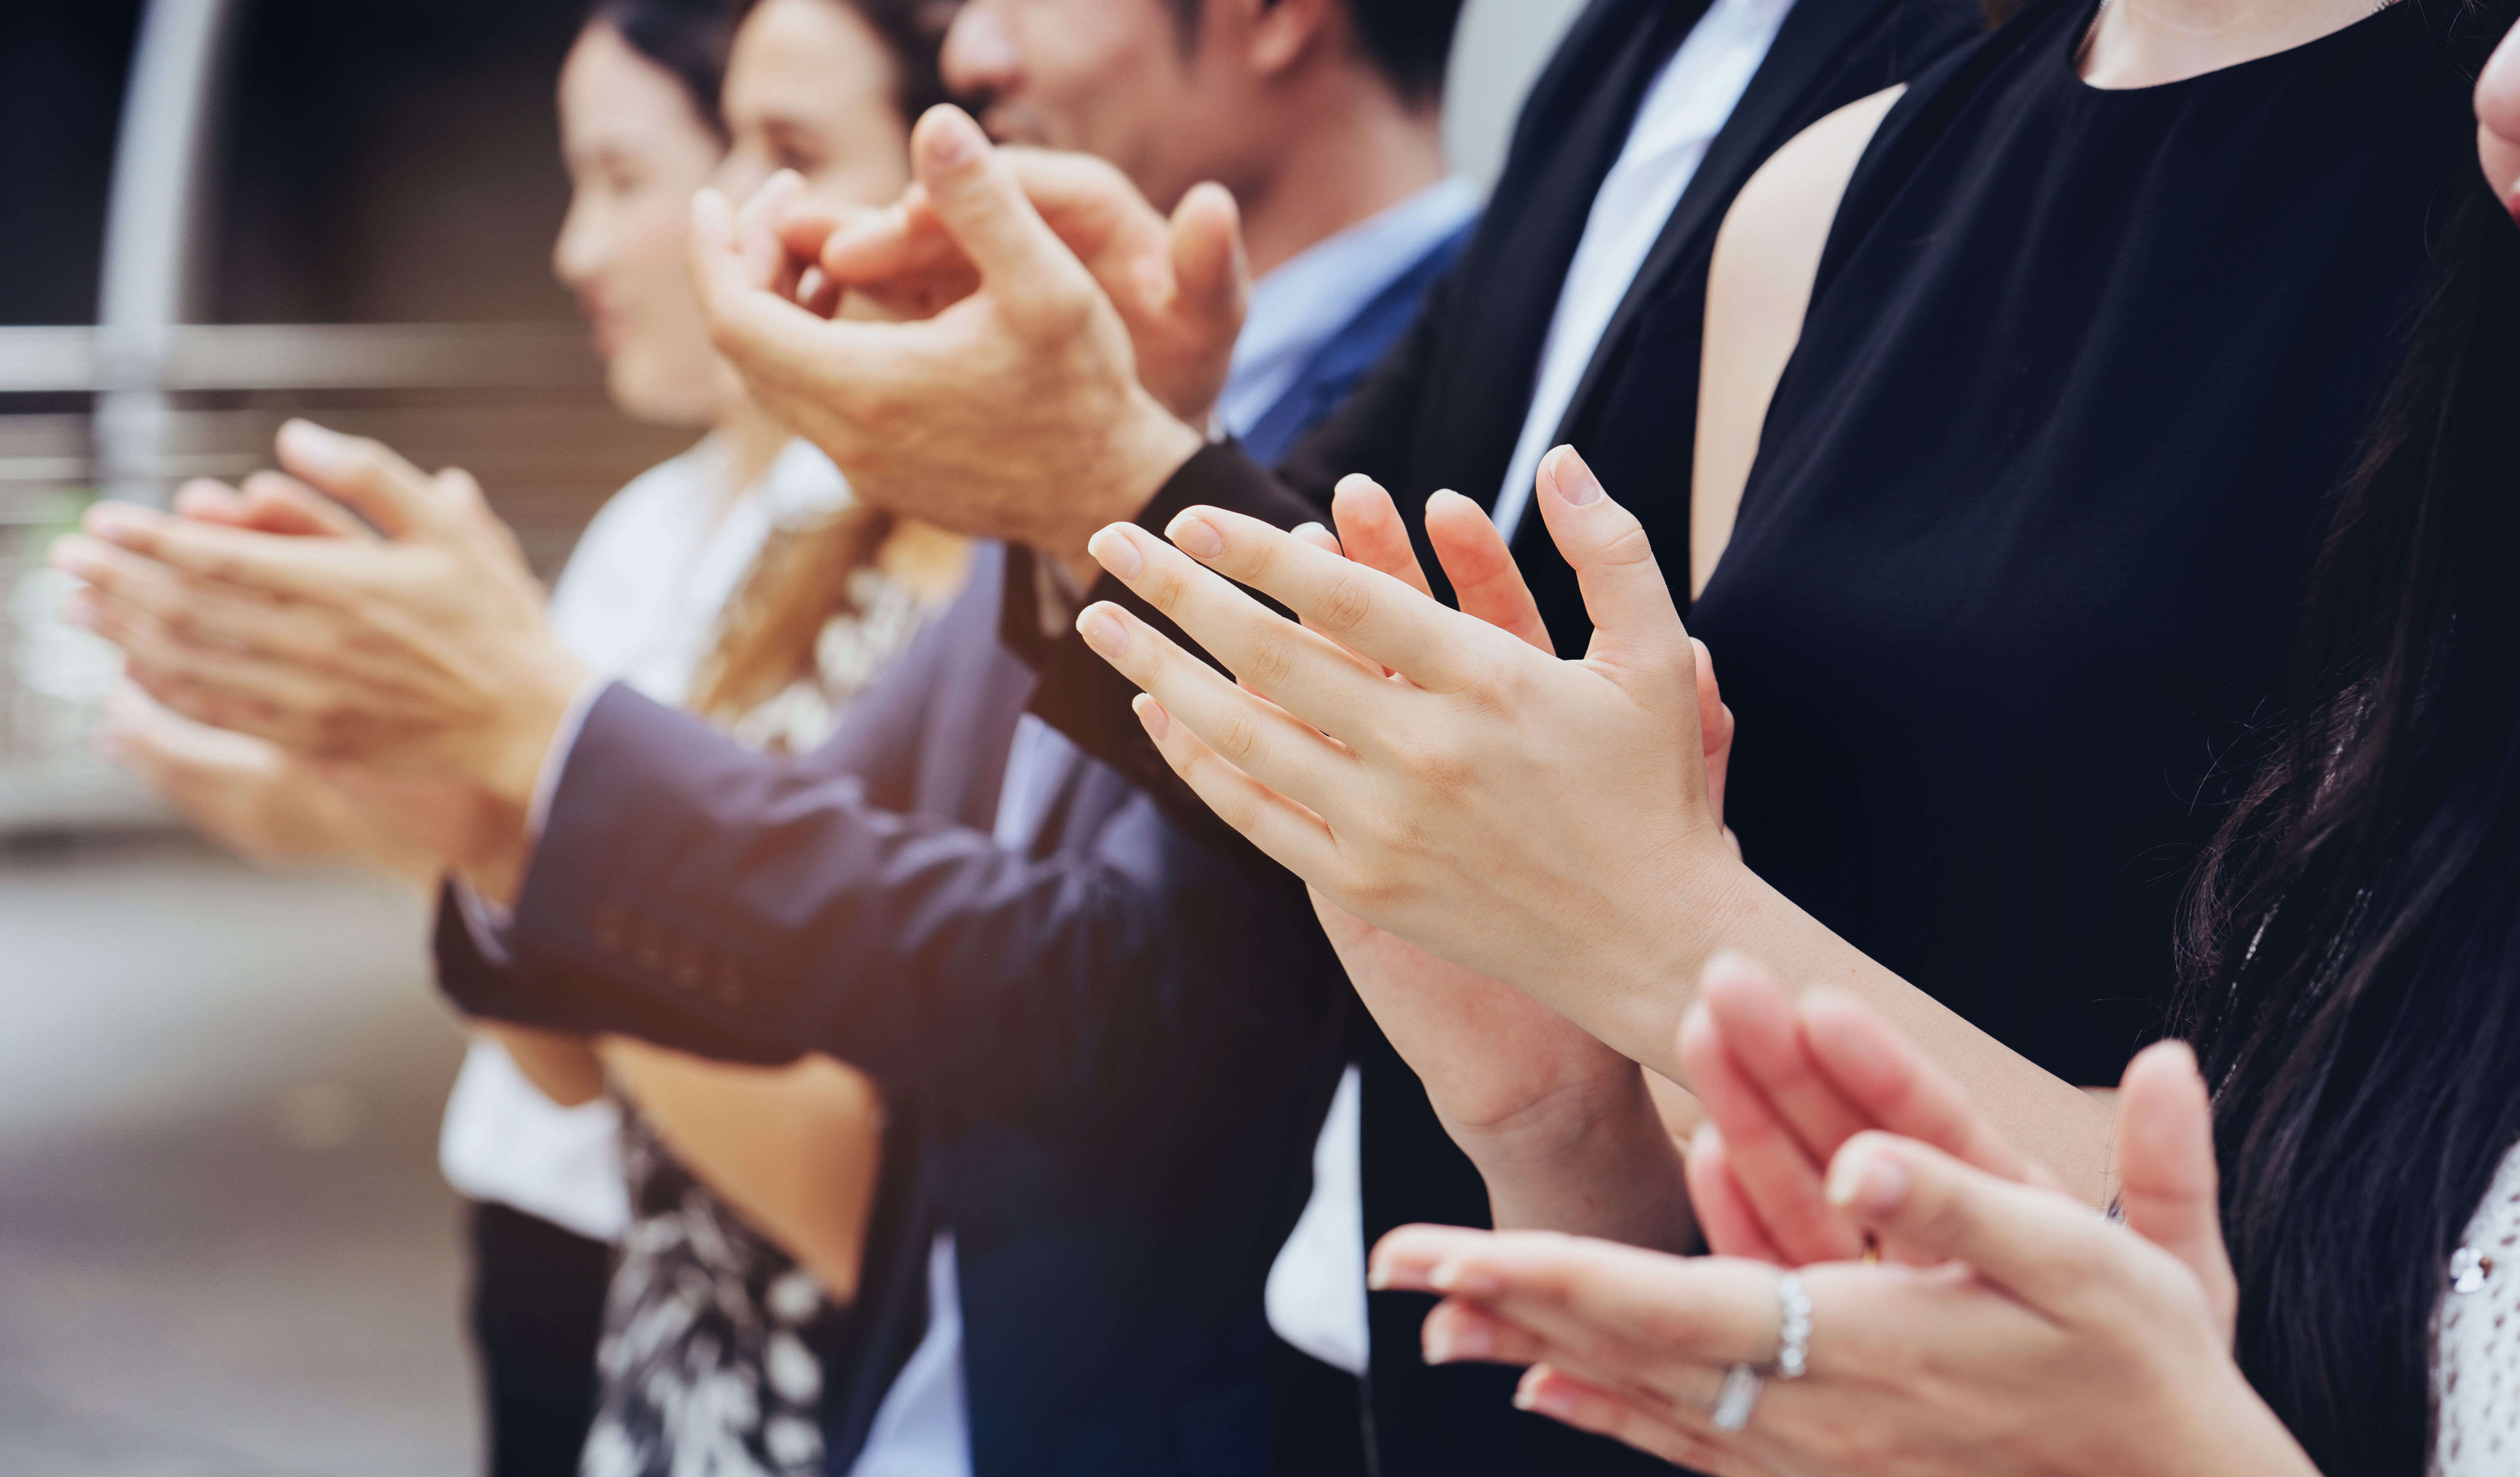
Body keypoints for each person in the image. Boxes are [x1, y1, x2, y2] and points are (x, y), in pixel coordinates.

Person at [55, 4, 1498, 1473]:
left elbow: (1128, 1002)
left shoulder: (1442, 400)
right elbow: (822, 884)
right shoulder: (1047, 415)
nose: (978, 59)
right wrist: (486, 798)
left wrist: (531, 747)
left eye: (790, 147)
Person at [681, 0, 1981, 1464]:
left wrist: (533, 768)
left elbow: (1166, 956)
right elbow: (1295, 561)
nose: (971, 54)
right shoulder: (1620, 52)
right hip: (1390, 1287)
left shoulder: (1946, 74)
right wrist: (1107, 446)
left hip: (1705, 1314)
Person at [1060, 0, 2500, 1227]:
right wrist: (1555, 1113)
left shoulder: (2482, 189)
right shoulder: (1816, 196)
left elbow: (2371, 1249)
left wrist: (1656, 923)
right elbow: (1696, 1196)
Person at [99, 1, 961, 1472]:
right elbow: (566, 1042)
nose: (731, 218)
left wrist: (526, 791)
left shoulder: (953, 572)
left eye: (789, 148)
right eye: (729, 150)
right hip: (668, 1335)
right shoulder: (751, 547)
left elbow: (854, 1171)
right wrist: (473, 804)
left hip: (794, 1372)